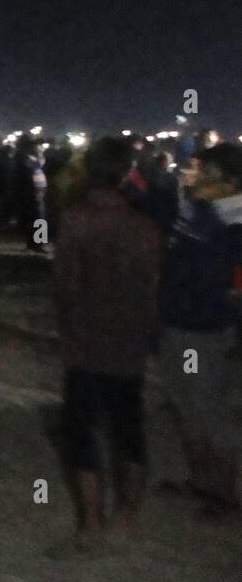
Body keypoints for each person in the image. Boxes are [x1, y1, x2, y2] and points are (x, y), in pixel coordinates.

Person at [52, 137, 162, 553]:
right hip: (129, 342)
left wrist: (67, 329)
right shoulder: (145, 226)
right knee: (128, 430)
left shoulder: (77, 220)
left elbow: (66, 286)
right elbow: (153, 285)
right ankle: (126, 518)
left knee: (81, 433)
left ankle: (91, 524)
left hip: (85, 342)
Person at [156, 143, 242, 515]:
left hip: (203, 331)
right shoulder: (204, 212)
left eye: (203, 172)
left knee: (209, 412)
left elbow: (228, 284)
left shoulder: (234, 225)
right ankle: (205, 482)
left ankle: (231, 492)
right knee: (186, 405)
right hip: (180, 323)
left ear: (230, 182)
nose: (193, 177)